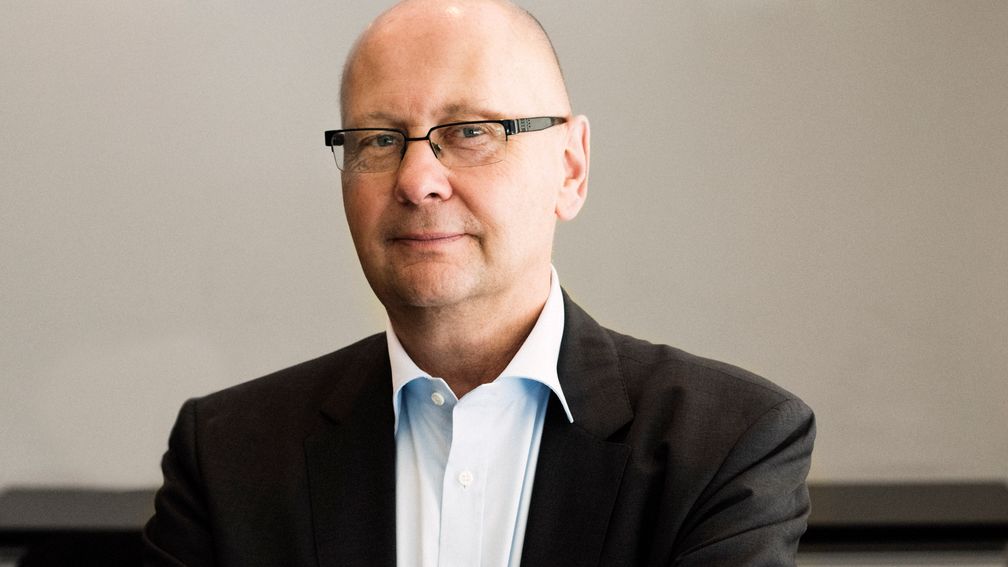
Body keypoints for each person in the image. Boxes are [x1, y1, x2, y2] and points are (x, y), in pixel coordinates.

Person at [143, 0, 815, 565]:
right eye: (378, 140)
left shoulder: (727, 444)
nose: (417, 180)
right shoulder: (228, 455)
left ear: (571, 168)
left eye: (470, 131)